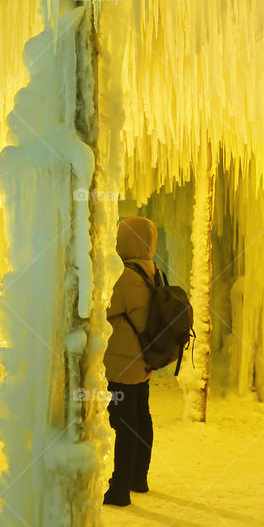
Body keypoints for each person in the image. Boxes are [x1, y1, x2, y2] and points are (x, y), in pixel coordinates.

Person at [103, 216, 159, 506]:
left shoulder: (125, 275)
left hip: (123, 363)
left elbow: (104, 307)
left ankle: (119, 488)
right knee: (141, 416)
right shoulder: (151, 269)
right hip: (143, 359)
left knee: (124, 424)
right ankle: (139, 476)